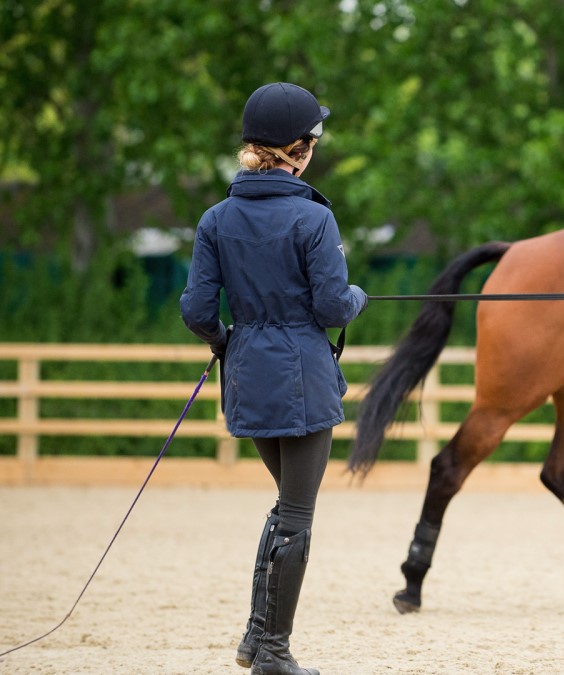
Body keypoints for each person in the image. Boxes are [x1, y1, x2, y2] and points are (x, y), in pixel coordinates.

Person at [180, 82, 367, 675]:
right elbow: (335, 308)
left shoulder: (216, 218)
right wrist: (359, 294)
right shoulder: (312, 218)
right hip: (304, 379)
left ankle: (255, 640)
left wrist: (226, 344)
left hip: (249, 375)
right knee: (297, 517)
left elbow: (197, 310)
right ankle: (274, 654)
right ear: (300, 149)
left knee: (284, 508)